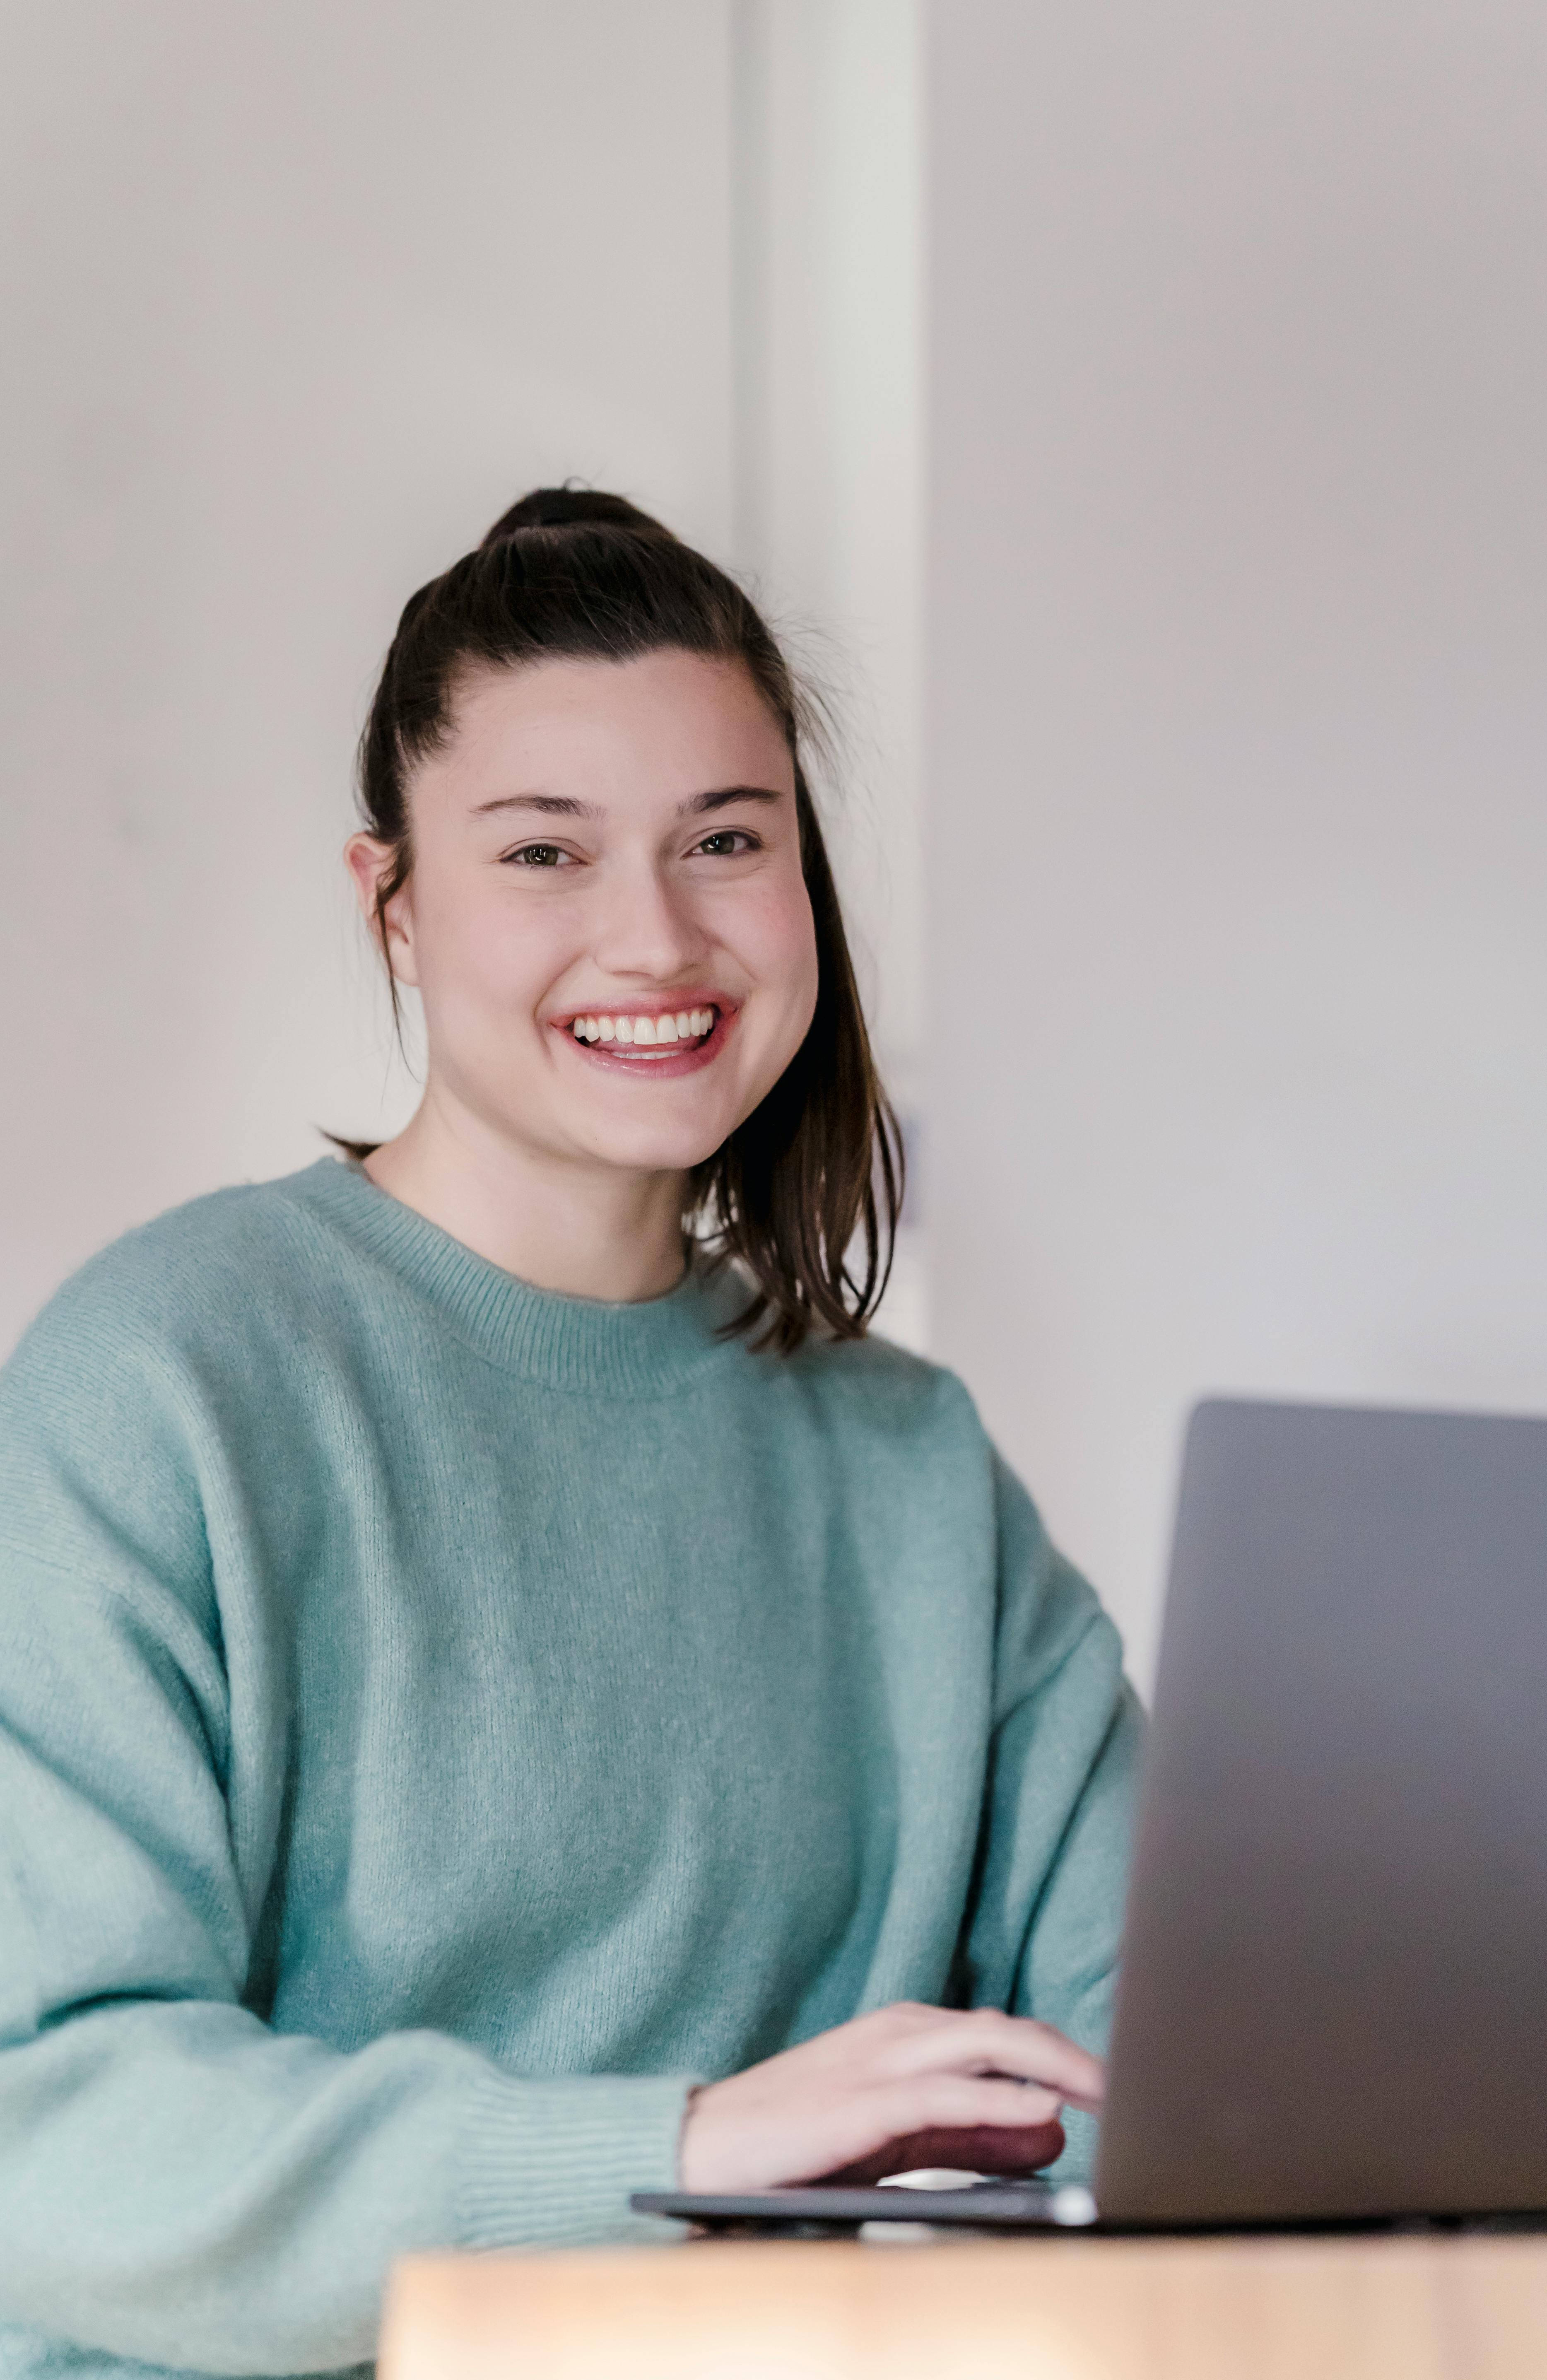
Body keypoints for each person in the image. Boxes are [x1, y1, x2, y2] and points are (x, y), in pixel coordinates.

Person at [0, 489, 1142, 2379]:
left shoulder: (915, 1470)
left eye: (727, 841)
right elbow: (52, 2129)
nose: (657, 936)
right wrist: (679, 2156)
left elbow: (1165, 2064)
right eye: (544, 852)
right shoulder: (161, 1385)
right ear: (391, 898)